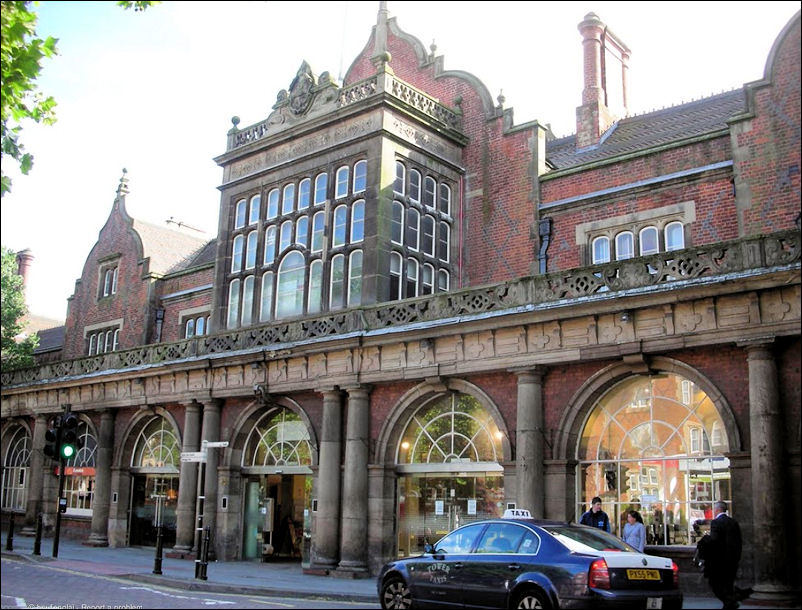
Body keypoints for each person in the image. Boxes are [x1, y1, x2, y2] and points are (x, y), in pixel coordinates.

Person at [696, 500, 749, 610]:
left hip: (719, 562)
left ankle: (731, 601)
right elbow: (739, 542)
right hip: (733, 561)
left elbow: (714, 540)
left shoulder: (716, 522)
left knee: (715, 584)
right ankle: (730, 602)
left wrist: (704, 539)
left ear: (717, 510)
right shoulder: (733, 522)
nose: (714, 511)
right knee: (728, 585)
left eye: (714, 509)